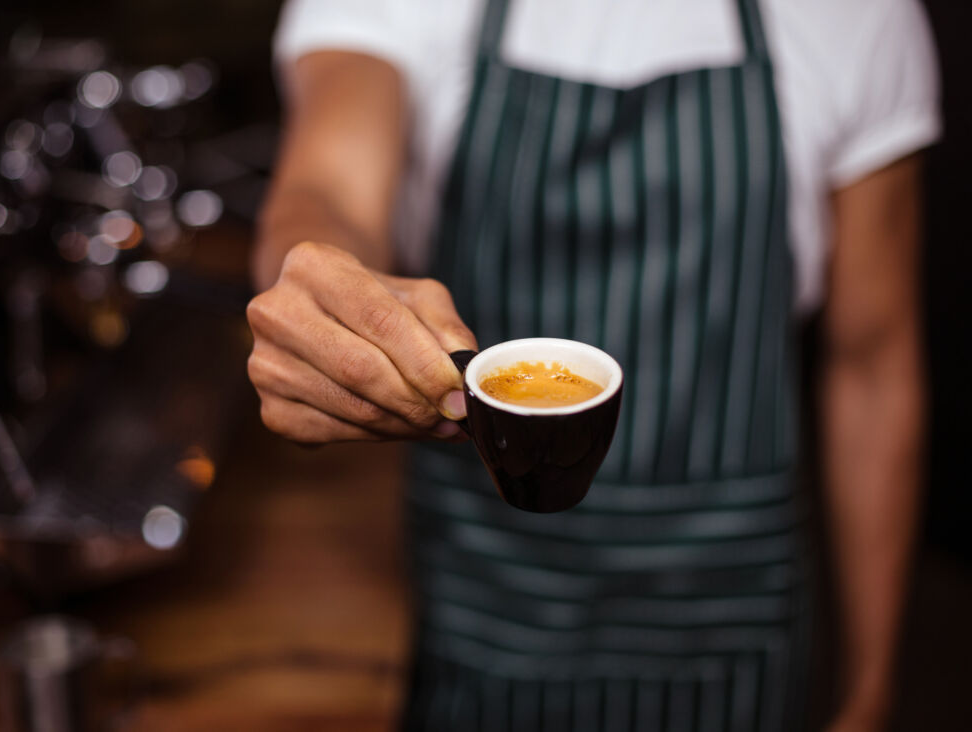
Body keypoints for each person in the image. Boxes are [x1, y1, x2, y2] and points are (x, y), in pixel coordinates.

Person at [246, 0, 940, 729]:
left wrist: (871, 691)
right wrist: (315, 282)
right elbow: (327, 187)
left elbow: (873, 364)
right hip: (485, 604)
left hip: (730, 616)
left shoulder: (857, 16)